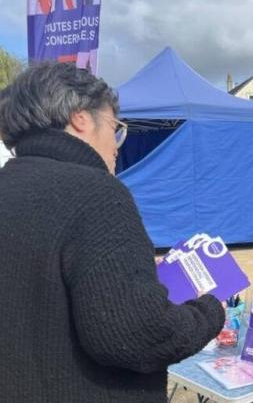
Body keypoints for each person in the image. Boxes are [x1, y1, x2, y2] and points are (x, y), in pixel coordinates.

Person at [0, 62, 225, 402]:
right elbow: (136, 334)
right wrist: (210, 310)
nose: (118, 144)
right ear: (80, 118)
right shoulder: (98, 194)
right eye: (115, 127)